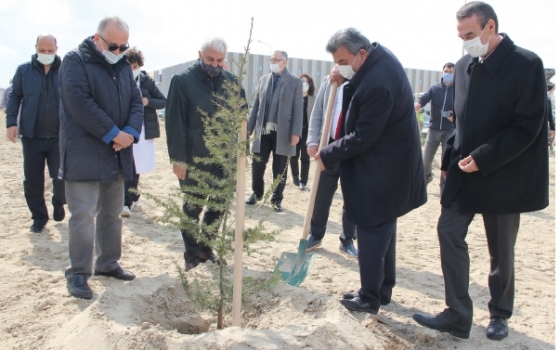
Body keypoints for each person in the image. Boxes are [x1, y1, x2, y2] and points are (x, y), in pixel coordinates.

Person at [412, 2, 549, 341]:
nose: (465, 42)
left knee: (500, 251)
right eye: (460, 36)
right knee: (448, 231)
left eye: (470, 34)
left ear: (491, 28)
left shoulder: (527, 64)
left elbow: (527, 126)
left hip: (504, 173)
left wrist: (485, 157)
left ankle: (499, 314)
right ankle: (458, 314)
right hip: (463, 171)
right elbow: (462, 123)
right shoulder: (463, 66)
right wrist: (447, 167)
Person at [314, 28, 426, 314]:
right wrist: (344, 79)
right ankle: (382, 289)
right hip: (390, 165)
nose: (338, 67)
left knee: (372, 230)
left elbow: (364, 135)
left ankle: (369, 297)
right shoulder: (377, 60)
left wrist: (328, 154)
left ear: (360, 54)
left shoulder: (378, 82)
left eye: (342, 61)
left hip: (384, 169)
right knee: (384, 229)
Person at [58, 16, 143, 299]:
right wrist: (112, 132)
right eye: (113, 45)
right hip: (84, 153)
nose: (118, 52)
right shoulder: (74, 61)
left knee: (112, 213)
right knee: (82, 216)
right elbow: (79, 102)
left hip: (117, 153)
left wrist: (129, 132)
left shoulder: (123, 67)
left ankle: (108, 263)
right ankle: (79, 275)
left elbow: (135, 102)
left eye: (123, 47)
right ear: (97, 39)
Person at [166, 37, 246, 271]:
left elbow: (242, 119)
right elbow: (174, 122)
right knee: (193, 206)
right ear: (199, 55)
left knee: (219, 205)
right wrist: (178, 159)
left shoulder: (232, 82)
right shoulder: (182, 81)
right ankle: (191, 254)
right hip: (194, 157)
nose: (215, 64)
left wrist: (241, 155)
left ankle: (205, 248)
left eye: (220, 60)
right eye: (210, 59)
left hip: (224, 159)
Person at [6, 35, 66, 233]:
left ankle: (59, 202)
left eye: (50, 51)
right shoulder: (24, 71)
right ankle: (39, 218)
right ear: (36, 49)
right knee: (32, 180)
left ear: (57, 49)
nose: (46, 54)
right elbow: (15, 97)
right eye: (42, 51)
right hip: (32, 136)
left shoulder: (66, 70)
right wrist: (11, 123)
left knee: (60, 178)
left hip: (59, 136)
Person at [305, 73, 358, 257]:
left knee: (352, 197)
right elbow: (318, 112)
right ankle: (316, 234)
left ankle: (348, 239)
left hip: (352, 146)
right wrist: (312, 140)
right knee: (321, 194)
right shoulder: (329, 81)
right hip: (328, 145)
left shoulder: (360, 81)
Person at [246, 50, 303, 212]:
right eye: (271, 59)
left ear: (284, 62)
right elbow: (256, 106)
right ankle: (257, 194)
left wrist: (296, 133)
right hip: (262, 130)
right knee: (257, 164)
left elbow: (298, 109)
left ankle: (276, 199)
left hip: (283, 131)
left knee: (279, 168)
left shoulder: (295, 82)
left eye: (276, 60)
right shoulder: (263, 80)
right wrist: (249, 129)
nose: (272, 62)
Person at [121, 47, 166, 217]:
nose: (133, 70)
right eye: (129, 66)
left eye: (135, 66)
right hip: (125, 128)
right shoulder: (119, 80)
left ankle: (132, 193)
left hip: (144, 129)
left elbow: (163, 101)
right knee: (127, 164)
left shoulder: (146, 81)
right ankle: (126, 200)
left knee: (137, 165)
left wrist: (147, 101)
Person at [415, 62, 456, 194]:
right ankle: (426, 179)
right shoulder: (435, 89)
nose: (448, 74)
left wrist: (454, 116)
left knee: (446, 161)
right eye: (446, 71)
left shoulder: (457, 91)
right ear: (442, 72)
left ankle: (444, 188)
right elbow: (424, 98)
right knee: (426, 159)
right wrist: (419, 104)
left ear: (455, 74)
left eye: (450, 72)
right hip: (433, 130)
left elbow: (463, 107)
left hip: (450, 131)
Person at [289, 73, 315, 190]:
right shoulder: (293, 98)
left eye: (306, 82)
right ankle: (295, 177)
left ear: (309, 85)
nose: (304, 84)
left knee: (305, 157)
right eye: (301, 82)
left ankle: (303, 181)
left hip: (307, 131)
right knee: (293, 156)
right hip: (295, 130)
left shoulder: (313, 99)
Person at [547, 84, 555, 151]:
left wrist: (553, 128)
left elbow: (550, 116)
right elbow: (550, 116)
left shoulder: (548, 101)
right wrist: (553, 129)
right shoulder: (548, 101)